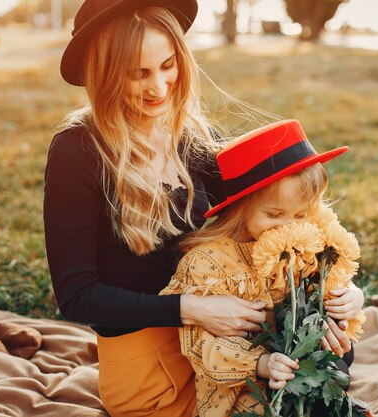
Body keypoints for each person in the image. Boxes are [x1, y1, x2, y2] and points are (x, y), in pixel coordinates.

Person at [44, 1, 354, 416]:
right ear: (104, 73)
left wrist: (341, 290)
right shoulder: (77, 150)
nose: (159, 88)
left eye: (167, 65)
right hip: (155, 374)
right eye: (138, 74)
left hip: (237, 346)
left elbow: (277, 218)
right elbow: (77, 295)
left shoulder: (195, 138)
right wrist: (192, 309)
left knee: (331, 364)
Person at [160, 120, 365, 416]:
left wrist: (351, 297)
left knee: (335, 357)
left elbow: (330, 281)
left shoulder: (306, 237)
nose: (290, 226)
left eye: (300, 213)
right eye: (274, 214)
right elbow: (201, 348)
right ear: (240, 207)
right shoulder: (208, 263)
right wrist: (262, 364)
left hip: (300, 354)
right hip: (248, 380)